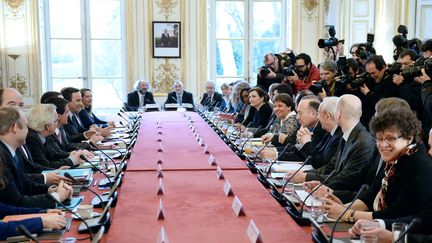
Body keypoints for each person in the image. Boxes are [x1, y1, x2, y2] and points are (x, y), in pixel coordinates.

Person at [322, 108, 432, 224]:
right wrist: (343, 208)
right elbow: (370, 197)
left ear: (409, 138)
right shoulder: (394, 156)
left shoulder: (419, 166)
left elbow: (396, 214)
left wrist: (347, 214)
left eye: (390, 138)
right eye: (379, 138)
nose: (383, 145)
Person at [0, 107, 72, 208]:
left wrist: (50, 190)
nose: (28, 131)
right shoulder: (2, 157)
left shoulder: (12, 151)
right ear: (15, 127)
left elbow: (23, 183)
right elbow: (15, 202)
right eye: (26, 126)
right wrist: (57, 196)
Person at [26, 104, 85, 169]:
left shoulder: (43, 135)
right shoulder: (32, 139)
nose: (57, 124)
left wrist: (72, 155)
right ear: (47, 126)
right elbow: (46, 165)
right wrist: (71, 160)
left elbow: (54, 155)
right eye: (56, 121)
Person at [359, 55, 398, 128]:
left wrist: (368, 94)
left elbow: (383, 104)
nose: (371, 76)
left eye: (373, 73)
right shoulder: (369, 80)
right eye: (369, 73)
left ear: (383, 68)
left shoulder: (392, 82)